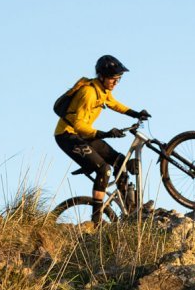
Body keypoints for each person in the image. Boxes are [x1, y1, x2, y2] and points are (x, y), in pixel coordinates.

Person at [54, 55, 151, 222]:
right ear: (102, 76)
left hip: (84, 136)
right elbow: (78, 126)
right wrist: (106, 134)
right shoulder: (88, 93)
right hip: (68, 136)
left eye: (118, 80)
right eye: (113, 79)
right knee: (104, 169)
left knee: (120, 161)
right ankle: (96, 220)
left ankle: (130, 211)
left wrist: (136, 114)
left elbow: (114, 104)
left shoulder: (103, 90)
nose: (115, 83)